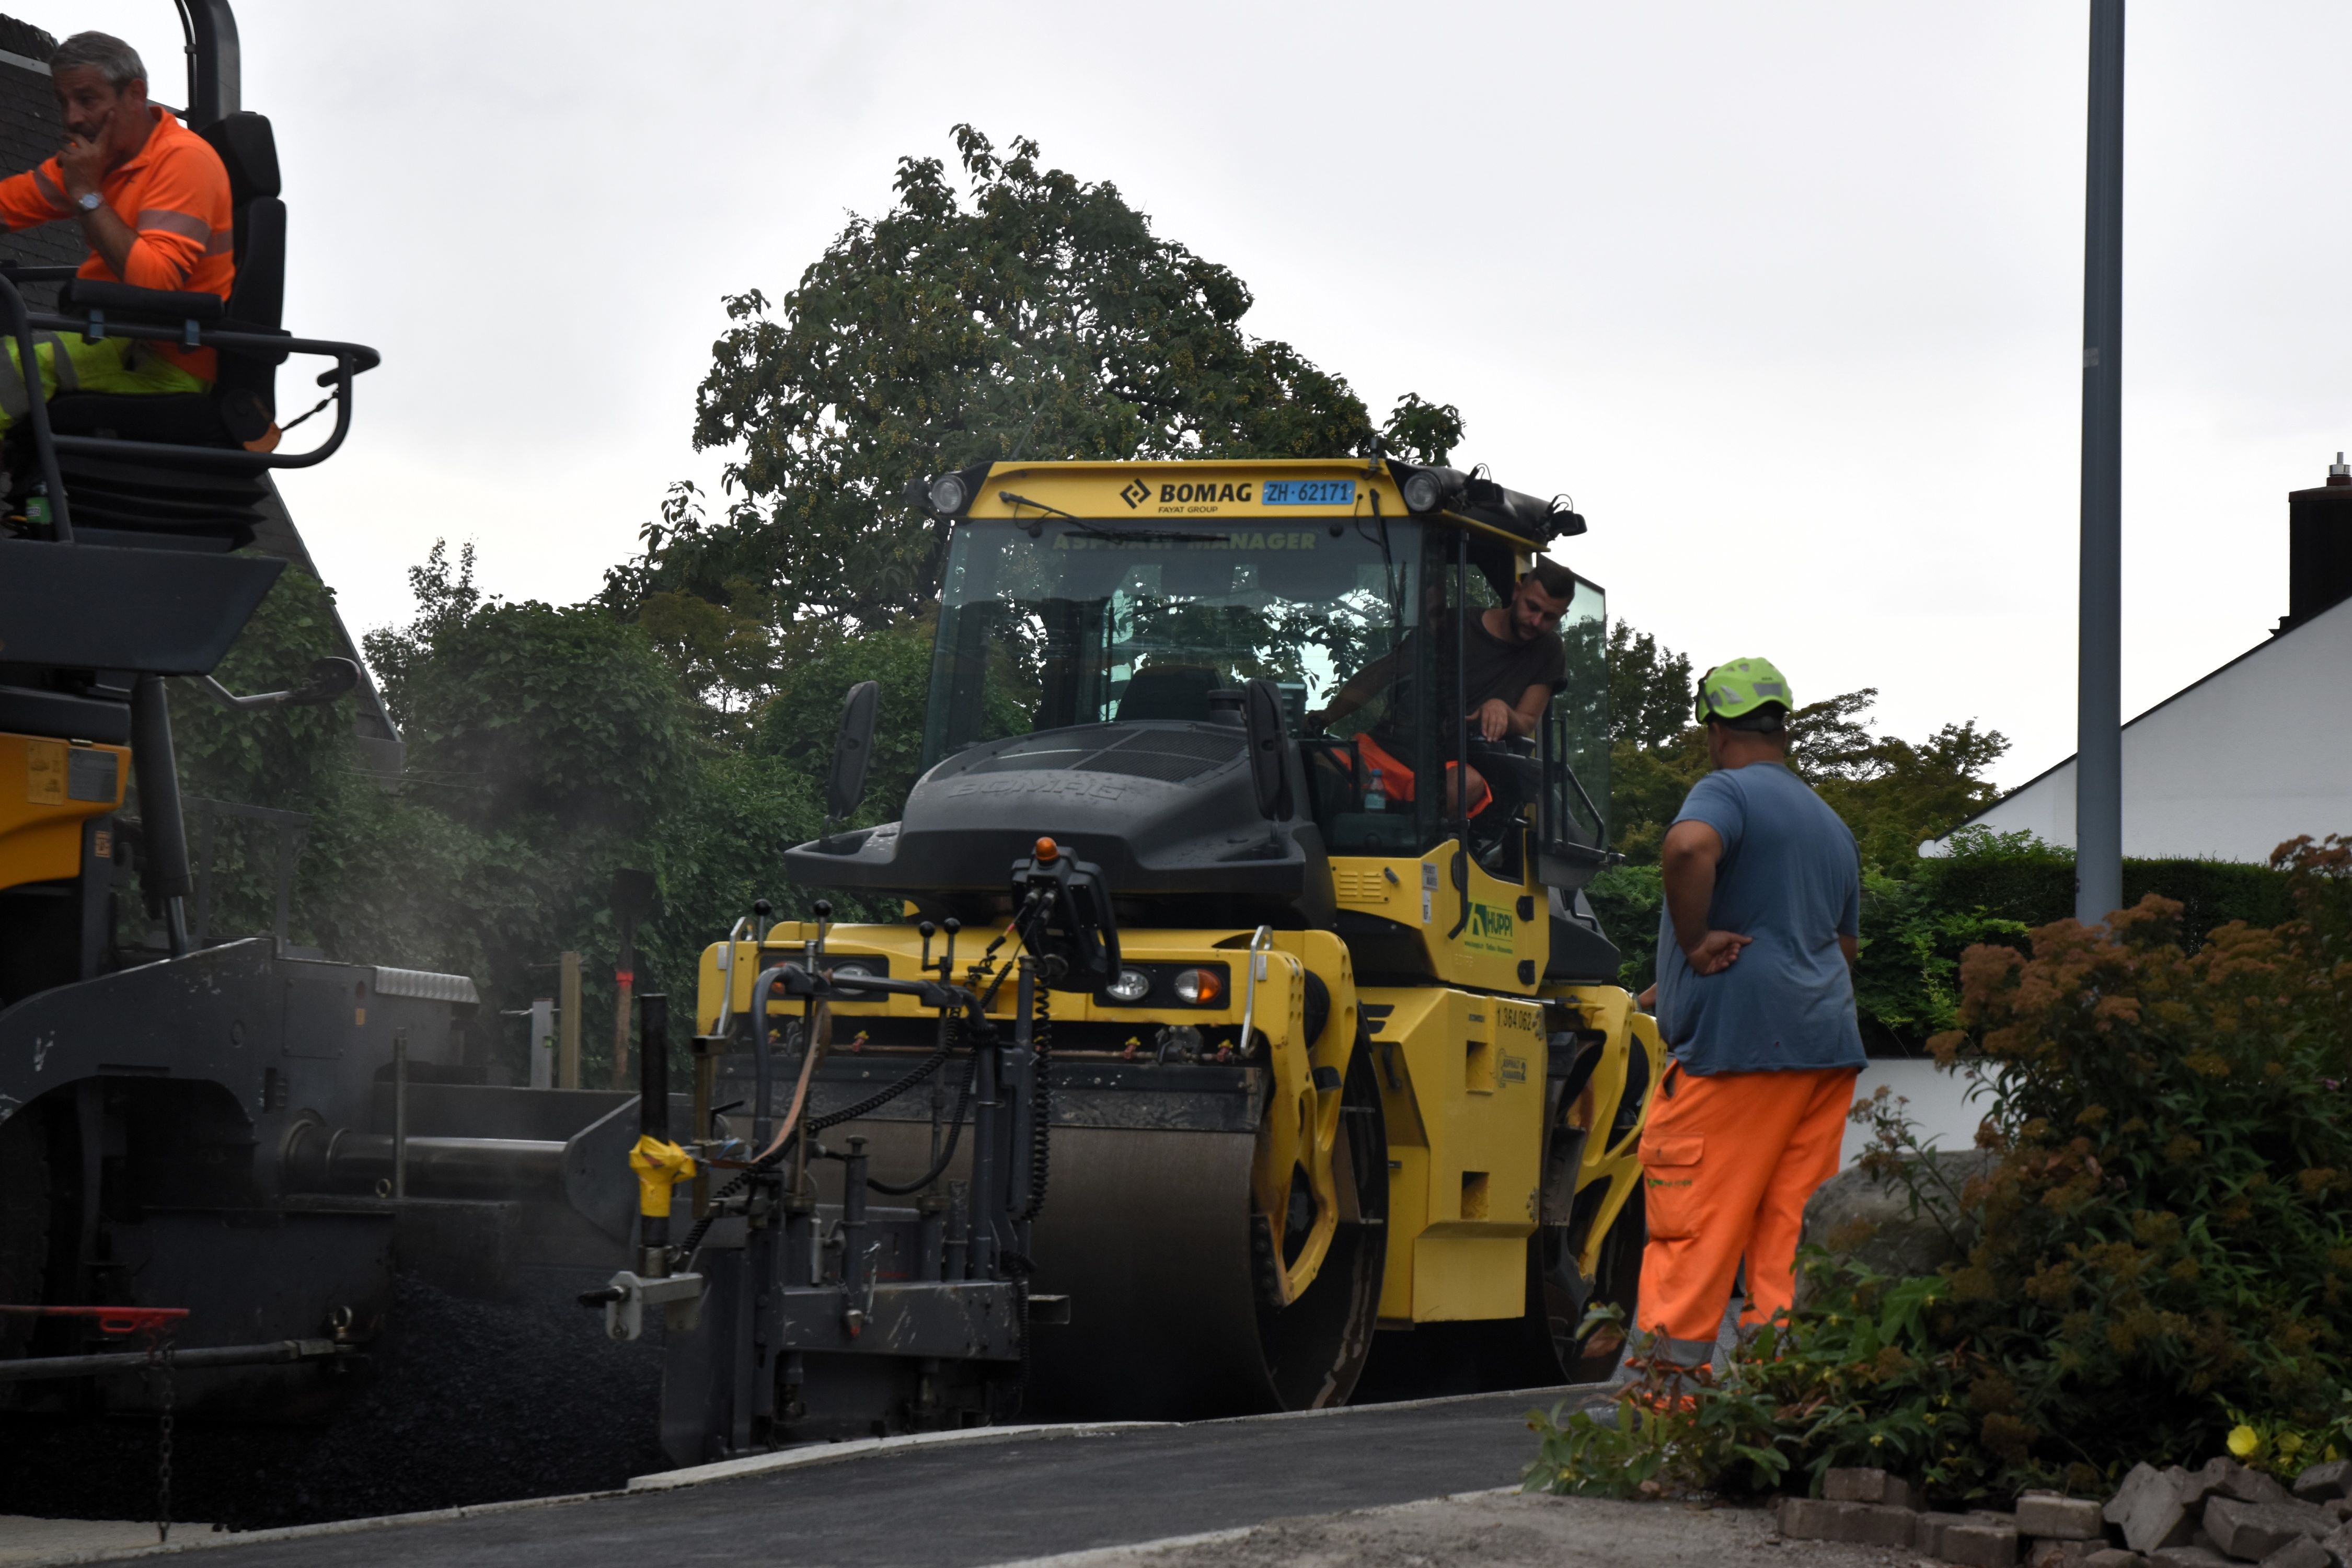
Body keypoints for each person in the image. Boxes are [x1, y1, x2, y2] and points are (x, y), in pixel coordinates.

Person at [1627, 655, 1864, 1382]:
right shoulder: (1830, 827)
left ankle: (1666, 1412)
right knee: (1786, 1238)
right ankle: (1778, 1401)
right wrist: (1675, 983)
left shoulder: (1724, 790)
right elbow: (1837, 949)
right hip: (1822, 1055)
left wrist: (1695, 947)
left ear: (1716, 729)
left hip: (1736, 1059)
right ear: (1782, 727)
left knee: (1692, 1225)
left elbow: (1688, 847)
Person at [0, 31, 235, 428]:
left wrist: (88, 195)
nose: (73, 117)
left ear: (135, 94)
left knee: (13, 366)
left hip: (166, 360)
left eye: (87, 100)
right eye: (64, 102)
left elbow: (156, 285)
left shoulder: (184, 161)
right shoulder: (99, 159)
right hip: (110, 331)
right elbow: (11, 203)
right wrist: (85, 186)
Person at [1306, 558, 1577, 814]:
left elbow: (1527, 720)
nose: (1537, 621)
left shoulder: (1549, 650)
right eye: (1533, 607)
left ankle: (1410, 834)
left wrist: (1503, 710)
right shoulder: (1451, 626)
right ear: (1518, 592)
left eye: (1550, 617)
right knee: (1315, 764)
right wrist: (1327, 716)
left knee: (1465, 786)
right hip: (1383, 751)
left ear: (1562, 615)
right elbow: (1384, 672)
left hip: (1446, 765)